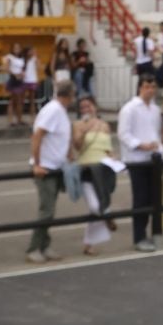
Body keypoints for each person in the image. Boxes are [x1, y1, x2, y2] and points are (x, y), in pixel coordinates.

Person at [26, 80, 74, 263]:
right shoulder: (53, 110)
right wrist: (37, 164)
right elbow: (38, 135)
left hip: (55, 166)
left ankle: (44, 245)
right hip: (45, 167)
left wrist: (68, 154)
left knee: (50, 209)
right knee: (46, 210)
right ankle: (33, 247)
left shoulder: (59, 111)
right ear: (69, 95)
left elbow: (61, 136)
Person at [119, 74, 163, 252]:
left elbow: (156, 133)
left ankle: (154, 233)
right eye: (147, 86)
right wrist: (141, 145)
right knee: (140, 199)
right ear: (140, 87)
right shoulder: (129, 109)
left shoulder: (155, 109)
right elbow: (123, 134)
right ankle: (139, 236)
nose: (150, 90)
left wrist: (160, 151)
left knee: (153, 198)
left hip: (153, 159)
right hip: (136, 160)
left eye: (153, 87)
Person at [72, 93, 118, 257]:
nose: (86, 109)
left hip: (103, 167)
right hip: (87, 168)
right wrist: (83, 131)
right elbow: (77, 147)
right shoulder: (78, 124)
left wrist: (113, 158)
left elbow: (108, 147)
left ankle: (88, 244)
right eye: (83, 107)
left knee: (98, 206)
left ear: (94, 106)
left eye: (88, 105)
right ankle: (107, 215)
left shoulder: (104, 125)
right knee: (95, 206)